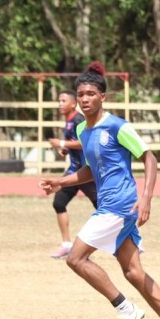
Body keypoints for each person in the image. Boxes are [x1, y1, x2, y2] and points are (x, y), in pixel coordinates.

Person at [38, 62, 160, 319]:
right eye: (81, 94)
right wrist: (60, 182)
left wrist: (146, 198)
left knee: (75, 258)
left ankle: (126, 309)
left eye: (91, 94)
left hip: (120, 204)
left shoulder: (117, 126)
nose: (85, 99)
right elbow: (90, 170)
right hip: (112, 205)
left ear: (103, 97)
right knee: (133, 272)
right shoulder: (82, 130)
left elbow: (149, 158)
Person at [47, 89, 98, 258]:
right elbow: (74, 145)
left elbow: (85, 143)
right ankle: (67, 244)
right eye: (59, 101)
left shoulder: (78, 120)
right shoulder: (69, 121)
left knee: (103, 207)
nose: (60, 104)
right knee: (59, 202)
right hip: (74, 170)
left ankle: (128, 239)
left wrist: (62, 143)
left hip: (85, 172)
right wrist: (66, 149)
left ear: (73, 104)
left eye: (63, 101)